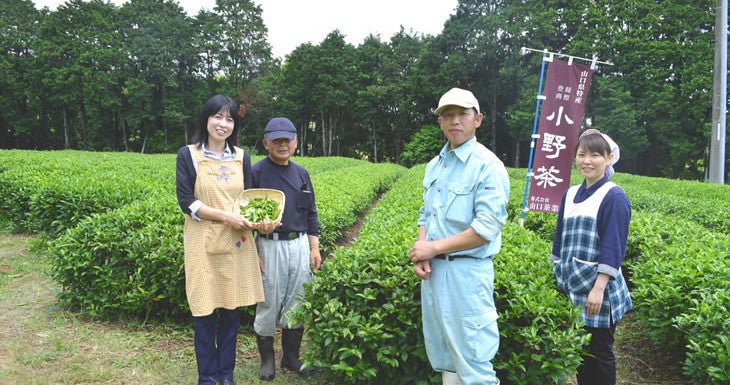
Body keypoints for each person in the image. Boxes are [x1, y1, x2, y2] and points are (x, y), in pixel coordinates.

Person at [409, 88, 510, 385]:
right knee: (445, 356)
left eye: (462, 114)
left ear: (477, 120)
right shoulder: (434, 165)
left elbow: (486, 228)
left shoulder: (487, 166)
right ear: (440, 122)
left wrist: (433, 248)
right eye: (447, 115)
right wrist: (421, 252)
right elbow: (426, 215)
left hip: (467, 274)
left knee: (474, 361)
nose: (454, 121)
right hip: (436, 272)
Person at [176, 94, 264, 385]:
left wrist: (262, 223)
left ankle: (226, 375)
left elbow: (249, 200)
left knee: (231, 311)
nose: (223, 124)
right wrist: (225, 217)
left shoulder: (241, 156)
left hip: (237, 243)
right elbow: (187, 202)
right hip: (202, 242)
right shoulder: (188, 154)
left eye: (229, 119)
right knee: (204, 311)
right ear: (206, 119)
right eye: (218, 117)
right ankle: (207, 377)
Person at [549, 130, 632, 385]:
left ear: (608, 159)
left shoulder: (613, 195)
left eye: (595, 155)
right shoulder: (570, 193)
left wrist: (598, 288)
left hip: (599, 289)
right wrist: (554, 273)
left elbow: (613, 245)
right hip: (573, 286)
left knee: (600, 351)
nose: (587, 160)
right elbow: (560, 237)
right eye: (582, 154)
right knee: (581, 350)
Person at [251, 117, 322, 382]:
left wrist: (314, 248)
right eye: (276, 140)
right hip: (269, 246)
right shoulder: (256, 172)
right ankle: (267, 360)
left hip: (300, 245)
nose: (283, 144)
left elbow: (311, 213)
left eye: (287, 140)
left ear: (296, 142)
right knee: (268, 301)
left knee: (298, 301)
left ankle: (291, 357)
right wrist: (252, 252)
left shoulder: (302, 173)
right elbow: (244, 213)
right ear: (266, 142)